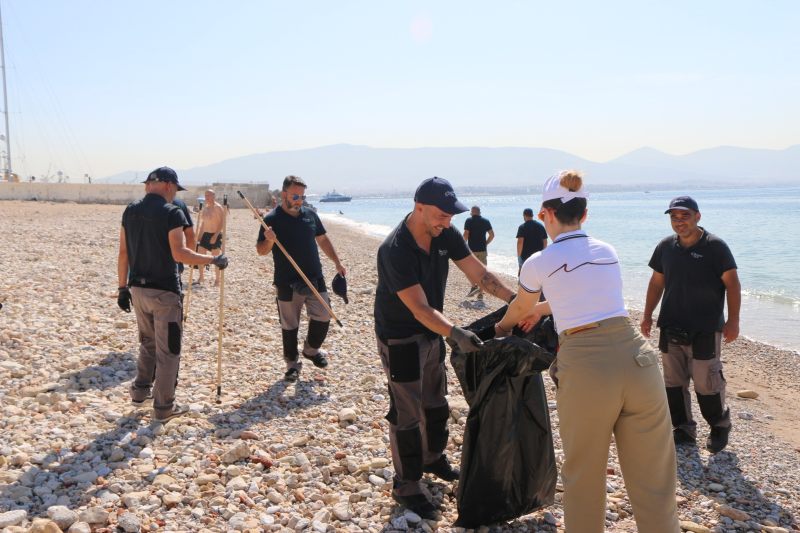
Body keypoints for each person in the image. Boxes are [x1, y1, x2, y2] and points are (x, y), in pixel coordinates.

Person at [495, 171, 679, 533]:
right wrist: (543, 309)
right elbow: (589, 298)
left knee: (584, 475)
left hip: (589, 367)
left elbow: (519, 308)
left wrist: (502, 329)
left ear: (546, 214)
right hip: (638, 360)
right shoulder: (606, 252)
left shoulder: (538, 262)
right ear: (585, 213)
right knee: (654, 479)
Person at [374, 177, 516, 519]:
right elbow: (419, 309)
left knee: (436, 401)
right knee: (407, 411)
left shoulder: (446, 234)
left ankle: (432, 457)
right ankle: (406, 485)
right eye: (441, 214)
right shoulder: (395, 249)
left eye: (450, 216)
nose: (447, 221)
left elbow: (479, 275)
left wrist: (515, 300)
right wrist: (456, 333)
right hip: (401, 337)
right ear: (418, 207)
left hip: (432, 333)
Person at [117, 167, 229, 422]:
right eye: (175, 190)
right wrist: (213, 259)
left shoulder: (130, 210)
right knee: (169, 350)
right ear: (168, 186)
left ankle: (140, 392)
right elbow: (181, 254)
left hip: (137, 290)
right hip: (164, 292)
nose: (174, 195)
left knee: (147, 342)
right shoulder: (172, 212)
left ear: (149, 186)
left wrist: (121, 288)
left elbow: (123, 253)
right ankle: (164, 407)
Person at [640, 196, 740, 454]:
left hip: (705, 327)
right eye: (674, 217)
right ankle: (683, 428)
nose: (679, 221)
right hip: (671, 324)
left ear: (698, 216)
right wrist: (647, 314)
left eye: (684, 216)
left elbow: (732, 284)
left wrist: (733, 320)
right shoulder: (665, 247)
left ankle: (719, 424)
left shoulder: (716, 247)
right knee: (673, 381)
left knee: (706, 382)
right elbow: (656, 283)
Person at [256, 175, 346, 383]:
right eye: (295, 196)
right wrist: (269, 241)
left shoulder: (310, 215)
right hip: (286, 282)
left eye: (302, 197)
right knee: (289, 326)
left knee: (324, 315)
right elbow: (261, 250)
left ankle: (311, 350)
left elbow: (322, 239)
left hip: (314, 278)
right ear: (284, 194)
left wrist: (337, 262)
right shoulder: (271, 220)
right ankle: (292, 365)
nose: (299, 200)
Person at [463, 205, 494, 298]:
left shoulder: (469, 220)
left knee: (468, 270)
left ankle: (474, 286)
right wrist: (486, 243)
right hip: (482, 251)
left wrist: (461, 245)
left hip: (471, 251)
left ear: (472, 212)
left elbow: (466, 235)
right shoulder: (486, 221)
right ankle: (480, 293)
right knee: (483, 272)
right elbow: (492, 235)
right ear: (479, 212)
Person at [196, 189, 225, 286]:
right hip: (205, 235)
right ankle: (201, 277)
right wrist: (199, 237)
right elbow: (203, 224)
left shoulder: (218, 207)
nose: (206, 197)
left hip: (215, 234)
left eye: (208, 195)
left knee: (216, 258)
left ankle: (217, 280)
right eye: (205, 195)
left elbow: (222, 223)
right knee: (200, 256)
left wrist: (216, 235)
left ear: (213, 196)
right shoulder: (205, 208)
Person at [516, 207, 548, 272]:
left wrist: (519, 257)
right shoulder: (540, 226)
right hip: (538, 257)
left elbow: (520, 242)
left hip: (526, 257)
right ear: (532, 215)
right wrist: (543, 254)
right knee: (538, 275)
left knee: (523, 276)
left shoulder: (522, 227)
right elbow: (545, 242)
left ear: (524, 216)